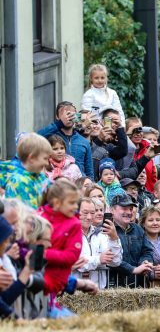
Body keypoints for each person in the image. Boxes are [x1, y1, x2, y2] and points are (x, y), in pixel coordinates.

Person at [38, 179, 83, 316]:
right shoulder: (38, 216)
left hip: (54, 282)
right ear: (57, 202)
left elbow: (71, 256)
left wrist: (42, 254)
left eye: (77, 202)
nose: (76, 207)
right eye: (71, 203)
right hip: (34, 279)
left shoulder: (74, 224)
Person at [38, 101, 94, 179]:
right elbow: (35, 138)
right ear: (57, 117)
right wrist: (60, 123)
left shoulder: (83, 141)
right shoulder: (51, 138)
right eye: (66, 114)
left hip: (78, 186)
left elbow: (89, 172)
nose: (69, 117)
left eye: (72, 114)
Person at [75, 197, 122, 288]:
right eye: (85, 213)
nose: (89, 217)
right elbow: (77, 262)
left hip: (99, 292)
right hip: (74, 292)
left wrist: (114, 238)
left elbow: (115, 261)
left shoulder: (101, 234)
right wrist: (98, 260)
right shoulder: (69, 234)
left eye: (92, 213)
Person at [109, 193, 154, 286]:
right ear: (112, 210)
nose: (129, 212)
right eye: (124, 208)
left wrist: (145, 263)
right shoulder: (106, 230)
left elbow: (147, 250)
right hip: (114, 285)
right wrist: (133, 269)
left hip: (139, 284)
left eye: (130, 209)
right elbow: (111, 258)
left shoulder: (137, 229)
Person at [0, 133, 52, 209]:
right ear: (32, 158)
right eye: (45, 158)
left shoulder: (41, 176)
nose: (47, 163)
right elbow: (25, 215)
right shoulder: (19, 182)